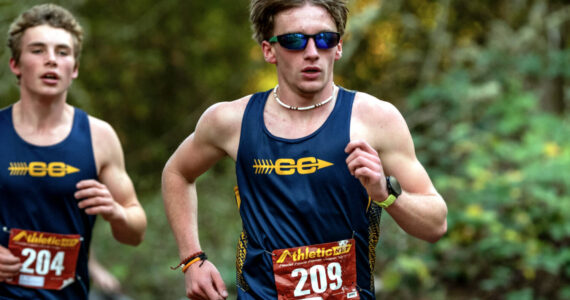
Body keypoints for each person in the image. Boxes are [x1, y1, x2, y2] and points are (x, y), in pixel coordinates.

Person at [162, 0, 448, 299]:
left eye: (325, 39)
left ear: (338, 47)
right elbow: (177, 173)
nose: (312, 52)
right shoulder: (231, 121)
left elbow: (436, 223)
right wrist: (192, 259)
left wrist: (386, 195)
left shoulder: (375, 119)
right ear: (269, 50)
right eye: (294, 40)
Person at [0, 4, 147, 299]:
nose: (51, 60)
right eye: (38, 50)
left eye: (63, 52)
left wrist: (116, 212)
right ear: (15, 64)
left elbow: (135, 231)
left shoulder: (99, 136)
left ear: (75, 68)